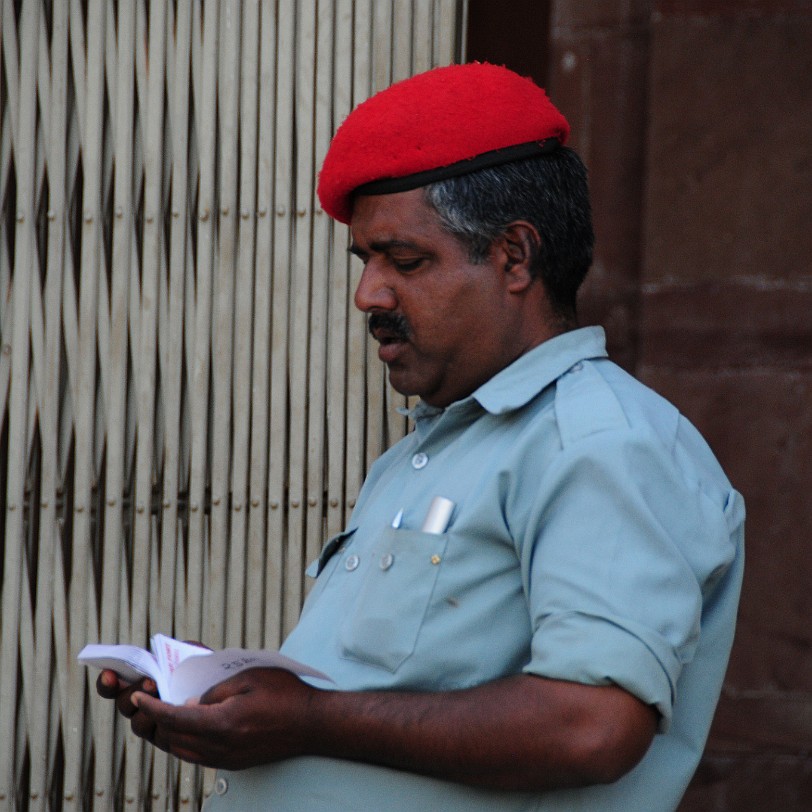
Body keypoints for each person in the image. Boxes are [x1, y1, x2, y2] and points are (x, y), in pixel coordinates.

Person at [97, 62, 745, 811]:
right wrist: (227, 699)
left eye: (404, 261)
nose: (367, 294)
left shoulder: (599, 444)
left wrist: (306, 721)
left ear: (514, 257)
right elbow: (383, 696)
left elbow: (590, 727)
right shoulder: (427, 448)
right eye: (365, 260)